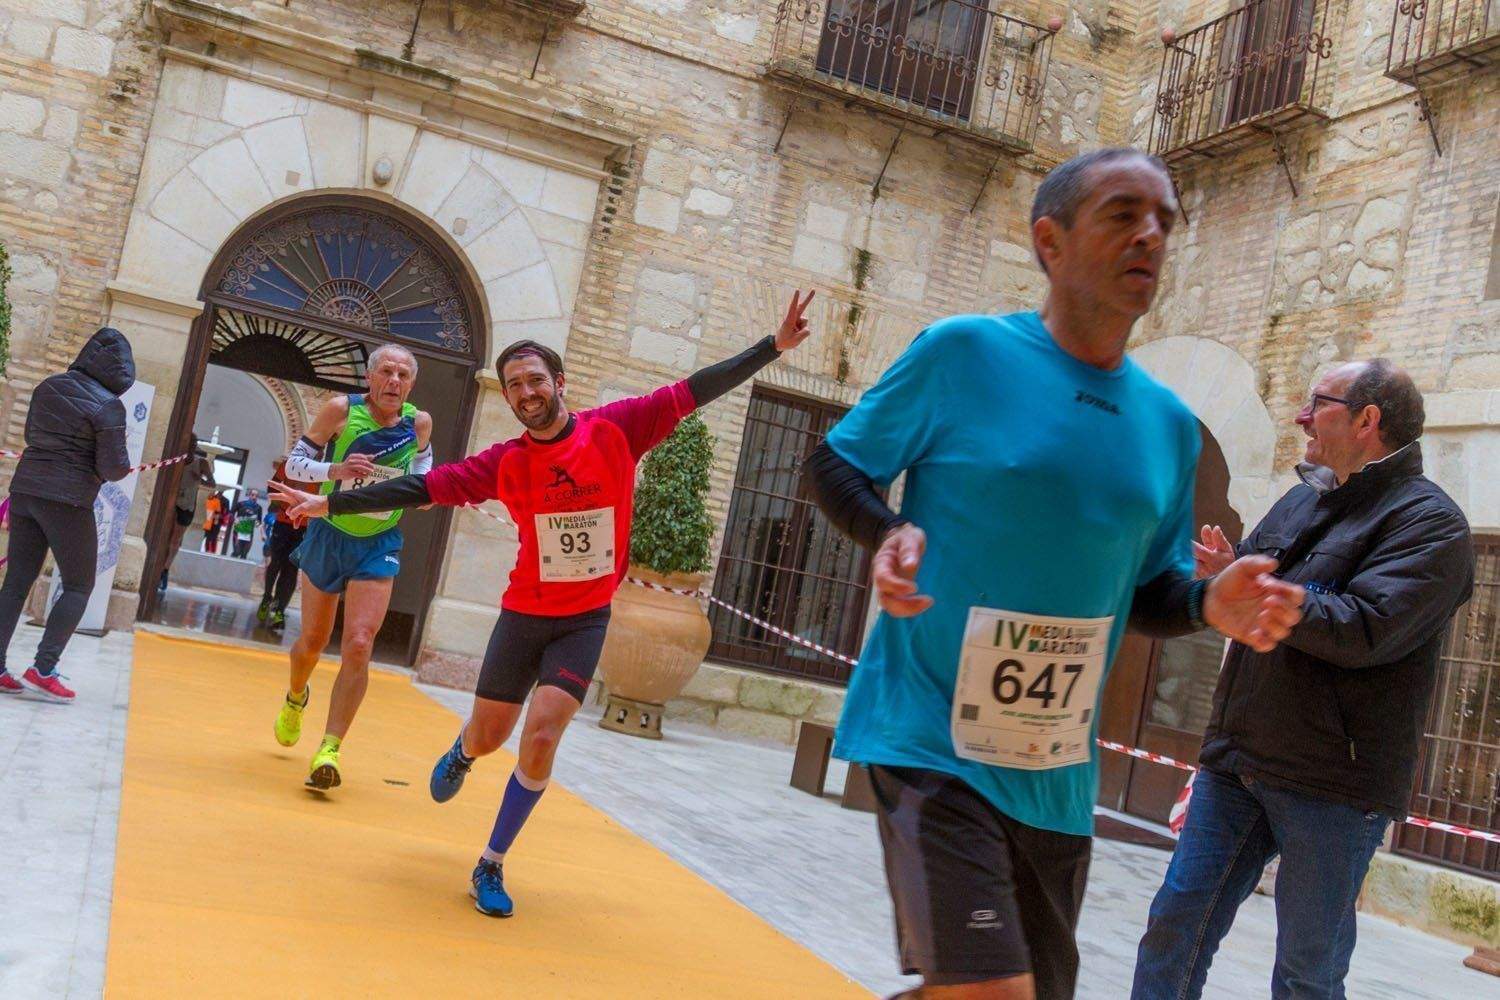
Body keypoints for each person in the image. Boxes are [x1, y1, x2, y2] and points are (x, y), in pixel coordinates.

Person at [801, 148, 1306, 1000]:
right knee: (993, 992)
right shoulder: (964, 354)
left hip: (1054, 775)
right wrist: (887, 533)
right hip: (930, 734)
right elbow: (836, 464)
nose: (1150, 235)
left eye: (1164, 221)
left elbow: (1151, 592)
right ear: (1050, 241)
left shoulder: (1170, 427)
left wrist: (1207, 604)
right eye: (1121, 213)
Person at [273, 291, 816, 918]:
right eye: (514, 386)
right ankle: (464, 750)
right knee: (489, 735)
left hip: (584, 620)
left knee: (541, 737)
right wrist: (330, 502)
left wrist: (772, 347)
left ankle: (491, 864)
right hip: (523, 616)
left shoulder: (618, 427)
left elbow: (696, 389)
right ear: (507, 399)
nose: (527, 392)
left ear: (559, 382)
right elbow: (424, 486)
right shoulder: (504, 463)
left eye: (535, 380)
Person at [1131, 360, 1474, 1000]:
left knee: (1306, 973)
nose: (1300, 417)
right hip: (1238, 761)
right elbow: (1254, 592)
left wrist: (1264, 594)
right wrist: (1230, 579)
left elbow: (1369, 627)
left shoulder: (1433, 525)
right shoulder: (1302, 496)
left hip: (1334, 786)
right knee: (1174, 930)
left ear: (1368, 420)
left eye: (1317, 402)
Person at [270, 344, 433, 790]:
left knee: (360, 642)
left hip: (379, 541)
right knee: (314, 639)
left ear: (411, 384)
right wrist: (337, 468)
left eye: (402, 375)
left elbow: (424, 462)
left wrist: (419, 489)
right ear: (369, 377)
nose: (394, 382)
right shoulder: (341, 410)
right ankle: (295, 696)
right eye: (386, 372)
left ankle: (330, 749)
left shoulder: (419, 423)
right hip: (328, 534)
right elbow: (297, 464)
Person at [0, 327, 135, 702]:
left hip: (26, 489)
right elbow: (113, 468)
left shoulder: (47, 387)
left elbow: (31, 435)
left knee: (16, 581)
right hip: (68, 499)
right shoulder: (109, 405)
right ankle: (44, 668)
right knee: (78, 585)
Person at [257, 456, 309, 631]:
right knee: (276, 562)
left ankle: (279, 609)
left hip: (304, 526)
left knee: (291, 568)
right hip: (283, 522)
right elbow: (272, 487)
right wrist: (284, 504)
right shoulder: (289, 464)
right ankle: (266, 597)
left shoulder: (325, 470)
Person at [159, 434, 217, 591]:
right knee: (165, 536)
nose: (191, 445)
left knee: (175, 539)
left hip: (187, 505)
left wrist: (199, 478)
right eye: (189, 442)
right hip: (171, 502)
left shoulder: (201, 463)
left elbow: (213, 483)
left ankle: (165, 569)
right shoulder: (176, 459)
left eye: (194, 443)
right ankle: (158, 569)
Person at [229, 488, 264, 559]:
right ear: (249, 495)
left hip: (249, 532)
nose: (254, 497)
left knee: (244, 554)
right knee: (237, 551)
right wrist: (235, 520)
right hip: (238, 530)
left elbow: (259, 521)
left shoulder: (258, 508)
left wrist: (259, 528)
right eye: (252, 495)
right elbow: (231, 513)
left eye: (256, 496)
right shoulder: (241, 504)